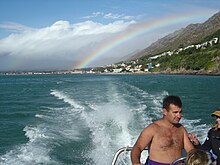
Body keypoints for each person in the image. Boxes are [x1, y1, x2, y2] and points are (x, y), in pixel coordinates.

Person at [131, 95, 194, 165]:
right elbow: (137, 148)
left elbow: (191, 151)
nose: (179, 116)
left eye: (180, 112)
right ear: (165, 111)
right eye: (175, 112)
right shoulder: (153, 129)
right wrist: (136, 162)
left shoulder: (181, 129)